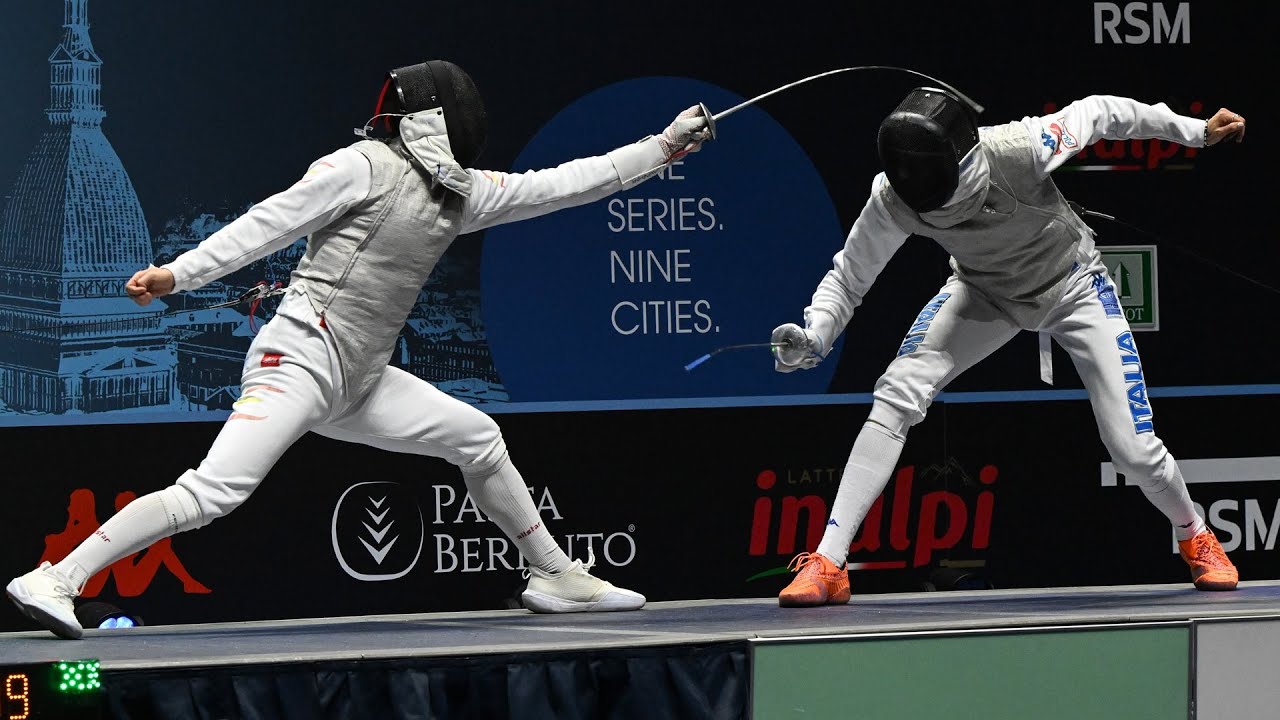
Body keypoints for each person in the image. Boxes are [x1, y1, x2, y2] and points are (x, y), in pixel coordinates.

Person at [7, 60, 709, 638]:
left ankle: (555, 575)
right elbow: (269, 224)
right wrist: (176, 275)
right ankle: (56, 578)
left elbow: (569, 184)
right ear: (434, 121)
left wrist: (665, 144)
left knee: (479, 437)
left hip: (364, 379)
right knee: (215, 492)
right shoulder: (361, 166)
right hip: (299, 358)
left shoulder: (464, 195)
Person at [770, 89, 1245, 607]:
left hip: (1073, 286)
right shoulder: (895, 196)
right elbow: (849, 277)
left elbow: (1103, 111)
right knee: (897, 390)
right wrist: (817, 333)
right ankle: (829, 561)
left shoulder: (1021, 147)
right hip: (984, 292)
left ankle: (1193, 530)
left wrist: (1192, 131)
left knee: (1132, 450)